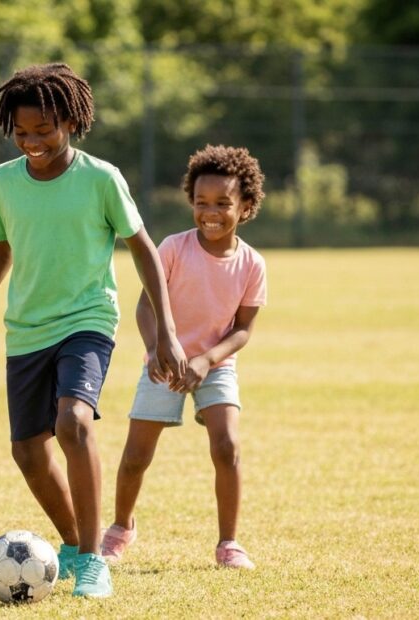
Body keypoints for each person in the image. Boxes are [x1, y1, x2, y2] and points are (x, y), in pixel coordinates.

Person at [0, 63, 184, 598]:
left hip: (88, 321)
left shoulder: (100, 178)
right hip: (26, 329)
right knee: (27, 451)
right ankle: (71, 544)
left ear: (71, 121)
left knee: (73, 422)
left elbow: (143, 250)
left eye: (43, 130)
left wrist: (166, 331)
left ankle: (94, 562)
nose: (32, 142)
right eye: (21, 133)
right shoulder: (1, 182)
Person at [100, 144, 267, 570]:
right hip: (163, 361)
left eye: (223, 203)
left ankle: (229, 544)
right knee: (136, 455)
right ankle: (120, 528)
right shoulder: (173, 248)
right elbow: (144, 307)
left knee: (227, 446)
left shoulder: (252, 264)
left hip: (215, 365)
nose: (210, 211)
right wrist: (157, 346)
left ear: (246, 206)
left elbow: (243, 329)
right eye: (201, 202)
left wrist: (207, 360)